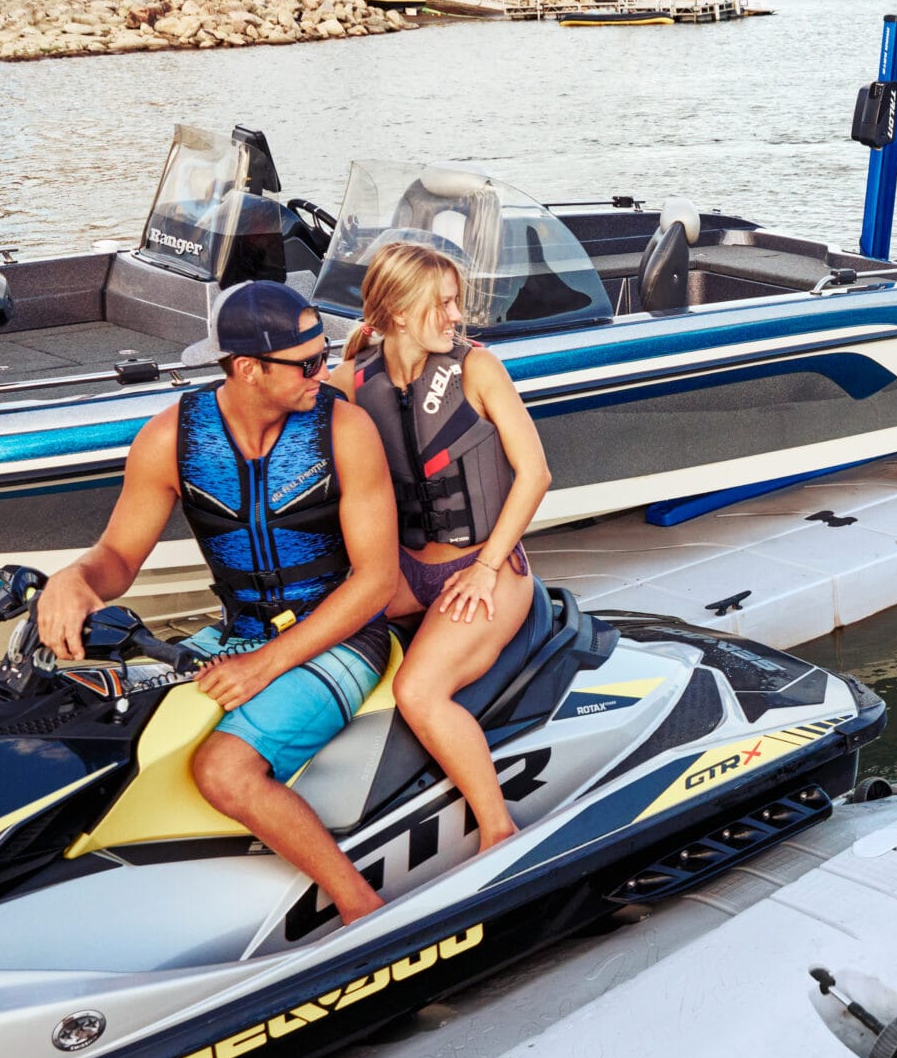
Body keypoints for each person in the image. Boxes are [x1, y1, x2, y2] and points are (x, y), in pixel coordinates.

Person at [36, 281, 399, 924]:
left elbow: (374, 581)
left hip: (343, 633)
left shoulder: (344, 430)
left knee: (224, 772)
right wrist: (75, 578)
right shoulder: (171, 438)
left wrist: (269, 664)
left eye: (326, 354)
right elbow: (118, 557)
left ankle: (362, 910)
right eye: (309, 362)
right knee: (97, 714)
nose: (324, 372)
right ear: (248, 369)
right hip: (239, 632)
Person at [330, 240, 554, 852]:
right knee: (314, 629)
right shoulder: (352, 381)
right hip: (406, 572)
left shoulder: (478, 369)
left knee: (418, 692)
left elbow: (535, 474)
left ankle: (498, 830)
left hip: (486, 570)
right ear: (398, 312)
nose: (457, 316)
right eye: (445, 304)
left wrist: (483, 570)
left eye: (456, 302)